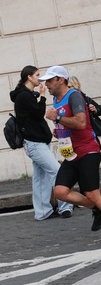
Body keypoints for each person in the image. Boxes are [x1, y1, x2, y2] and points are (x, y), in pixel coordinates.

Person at [41, 65, 101, 241]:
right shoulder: (57, 100)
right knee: (60, 191)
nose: (47, 84)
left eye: (50, 80)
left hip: (88, 151)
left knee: (92, 194)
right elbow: (69, 124)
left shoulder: (73, 96)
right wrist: (59, 130)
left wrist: (58, 118)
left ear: (61, 79)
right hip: (71, 153)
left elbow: (81, 123)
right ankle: (97, 208)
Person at [10, 66, 74, 221]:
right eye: (37, 75)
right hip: (34, 142)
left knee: (40, 178)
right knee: (56, 171)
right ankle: (65, 206)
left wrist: (38, 94)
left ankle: (42, 211)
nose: (40, 79)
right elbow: (39, 113)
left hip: (36, 142)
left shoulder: (25, 95)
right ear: (29, 77)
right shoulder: (24, 96)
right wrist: (43, 96)